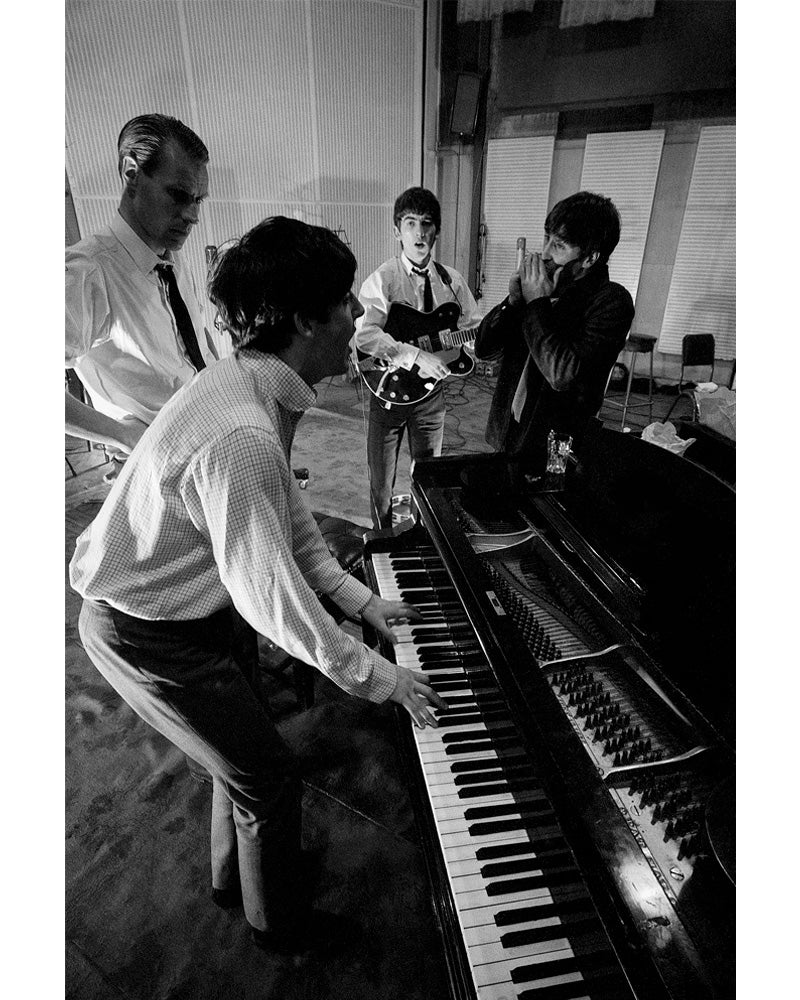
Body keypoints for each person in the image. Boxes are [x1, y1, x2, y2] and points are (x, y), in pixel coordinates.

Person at [69, 216, 446, 955]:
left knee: (240, 762)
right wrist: (376, 676)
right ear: (305, 319)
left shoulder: (250, 381)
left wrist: (361, 600)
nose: (358, 317)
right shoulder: (240, 429)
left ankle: (232, 879)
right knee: (267, 778)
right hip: (146, 630)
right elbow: (270, 596)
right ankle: (280, 930)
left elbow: (287, 518)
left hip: (183, 612)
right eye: (344, 302)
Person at [65, 113, 217, 477]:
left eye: (199, 199)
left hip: (208, 440)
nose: (192, 215)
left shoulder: (170, 258)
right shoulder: (88, 271)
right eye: (179, 196)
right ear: (131, 173)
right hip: (161, 462)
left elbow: (193, 343)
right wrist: (121, 435)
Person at [474, 190, 635, 469]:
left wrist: (537, 303)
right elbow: (483, 348)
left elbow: (561, 375)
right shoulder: (543, 289)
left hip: (553, 449)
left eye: (559, 245)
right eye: (546, 238)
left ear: (589, 258)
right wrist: (512, 302)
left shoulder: (611, 302)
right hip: (508, 430)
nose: (545, 252)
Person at [352, 186, 481, 529]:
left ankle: (426, 540)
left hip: (431, 399)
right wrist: (415, 355)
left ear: (436, 230)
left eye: (426, 223)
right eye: (410, 223)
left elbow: (474, 329)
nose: (419, 232)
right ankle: (382, 545)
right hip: (388, 393)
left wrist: (474, 348)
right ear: (397, 231)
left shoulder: (451, 282)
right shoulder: (383, 279)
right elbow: (365, 335)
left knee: (429, 480)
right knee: (381, 485)